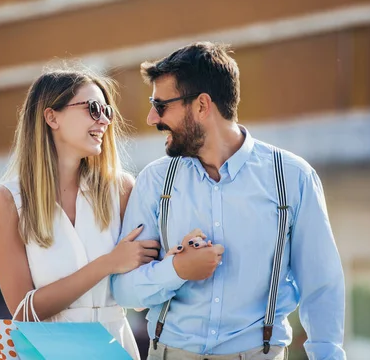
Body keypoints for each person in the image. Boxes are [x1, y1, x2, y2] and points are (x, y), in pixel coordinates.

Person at [110, 42, 346, 360]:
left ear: (202, 106)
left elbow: (322, 286)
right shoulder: (154, 181)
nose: (152, 118)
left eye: (161, 105)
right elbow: (124, 290)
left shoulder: (292, 178)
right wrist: (176, 270)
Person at [0, 68, 162, 359]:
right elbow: (23, 311)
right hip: (48, 351)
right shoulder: (6, 200)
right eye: (93, 108)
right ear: (51, 117)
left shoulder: (120, 189)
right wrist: (107, 264)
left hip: (116, 348)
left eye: (107, 110)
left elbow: (141, 294)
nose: (104, 119)